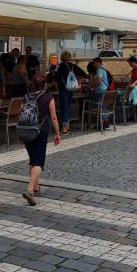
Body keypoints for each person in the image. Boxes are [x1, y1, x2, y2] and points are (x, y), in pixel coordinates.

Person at [22, 73, 60, 206]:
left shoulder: (26, 97)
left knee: (33, 160)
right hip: (40, 132)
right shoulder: (48, 97)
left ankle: (36, 187)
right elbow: (53, 117)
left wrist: (20, 135)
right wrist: (57, 133)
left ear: (32, 83)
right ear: (45, 84)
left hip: (27, 132)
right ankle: (30, 190)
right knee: (39, 162)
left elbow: (21, 115)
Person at [54, 51, 86, 135]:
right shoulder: (74, 66)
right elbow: (84, 74)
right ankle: (67, 127)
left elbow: (56, 77)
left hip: (63, 89)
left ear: (62, 58)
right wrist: (78, 81)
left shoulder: (62, 66)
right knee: (67, 107)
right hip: (72, 89)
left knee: (64, 107)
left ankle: (64, 129)